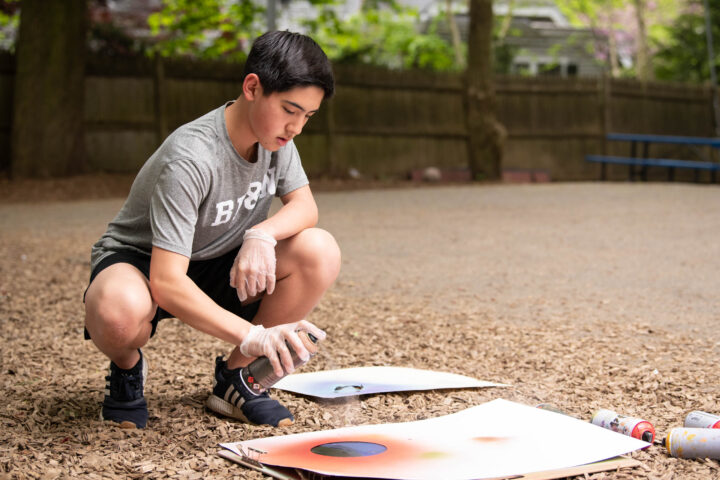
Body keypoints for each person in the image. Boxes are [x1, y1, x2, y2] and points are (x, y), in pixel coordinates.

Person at [83, 31, 341, 430]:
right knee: (118, 314)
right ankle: (126, 367)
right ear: (252, 87)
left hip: (219, 259)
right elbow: (166, 281)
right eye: (291, 109)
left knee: (318, 250)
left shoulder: (276, 141)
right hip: (146, 262)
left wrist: (262, 234)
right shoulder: (192, 157)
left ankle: (237, 380)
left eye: (308, 116)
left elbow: (306, 207)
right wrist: (253, 334)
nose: (296, 128)